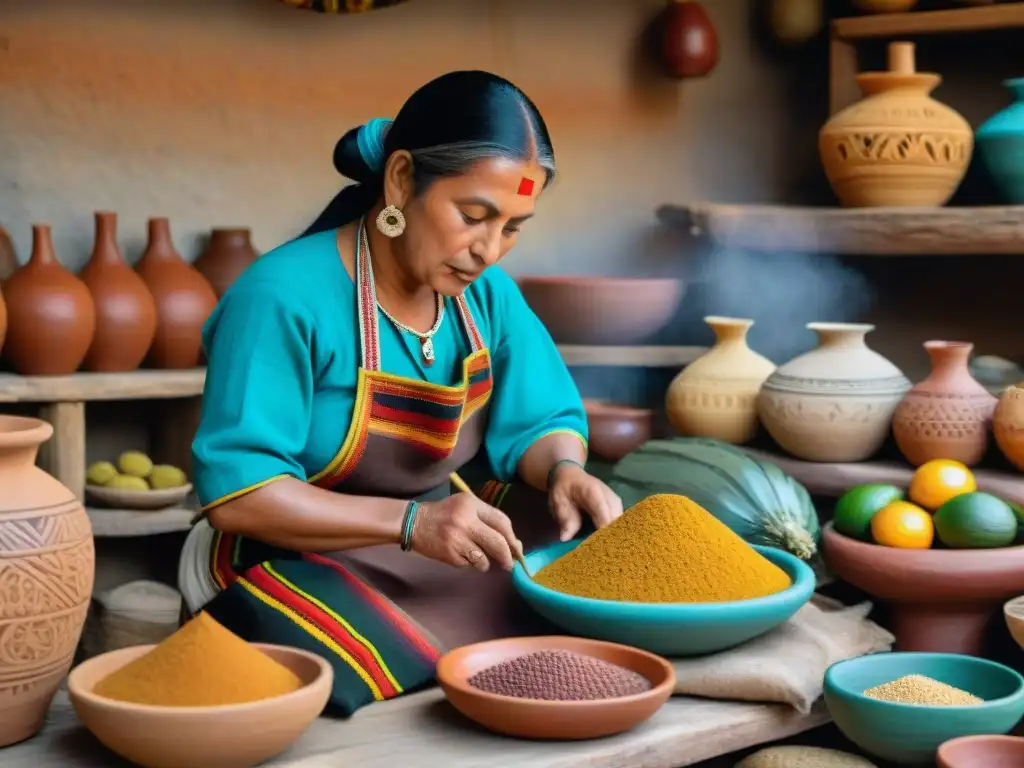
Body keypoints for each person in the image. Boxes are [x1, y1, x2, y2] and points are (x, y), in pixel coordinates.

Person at [177, 70, 624, 716]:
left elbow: (537, 417)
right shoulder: (280, 297)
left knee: (587, 561)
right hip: (294, 551)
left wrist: (564, 468)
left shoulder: (488, 296)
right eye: (474, 217)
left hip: (441, 536)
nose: (489, 251)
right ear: (400, 180)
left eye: (513, 227)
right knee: (329, 656)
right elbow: (242, 495)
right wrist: (411, 524)